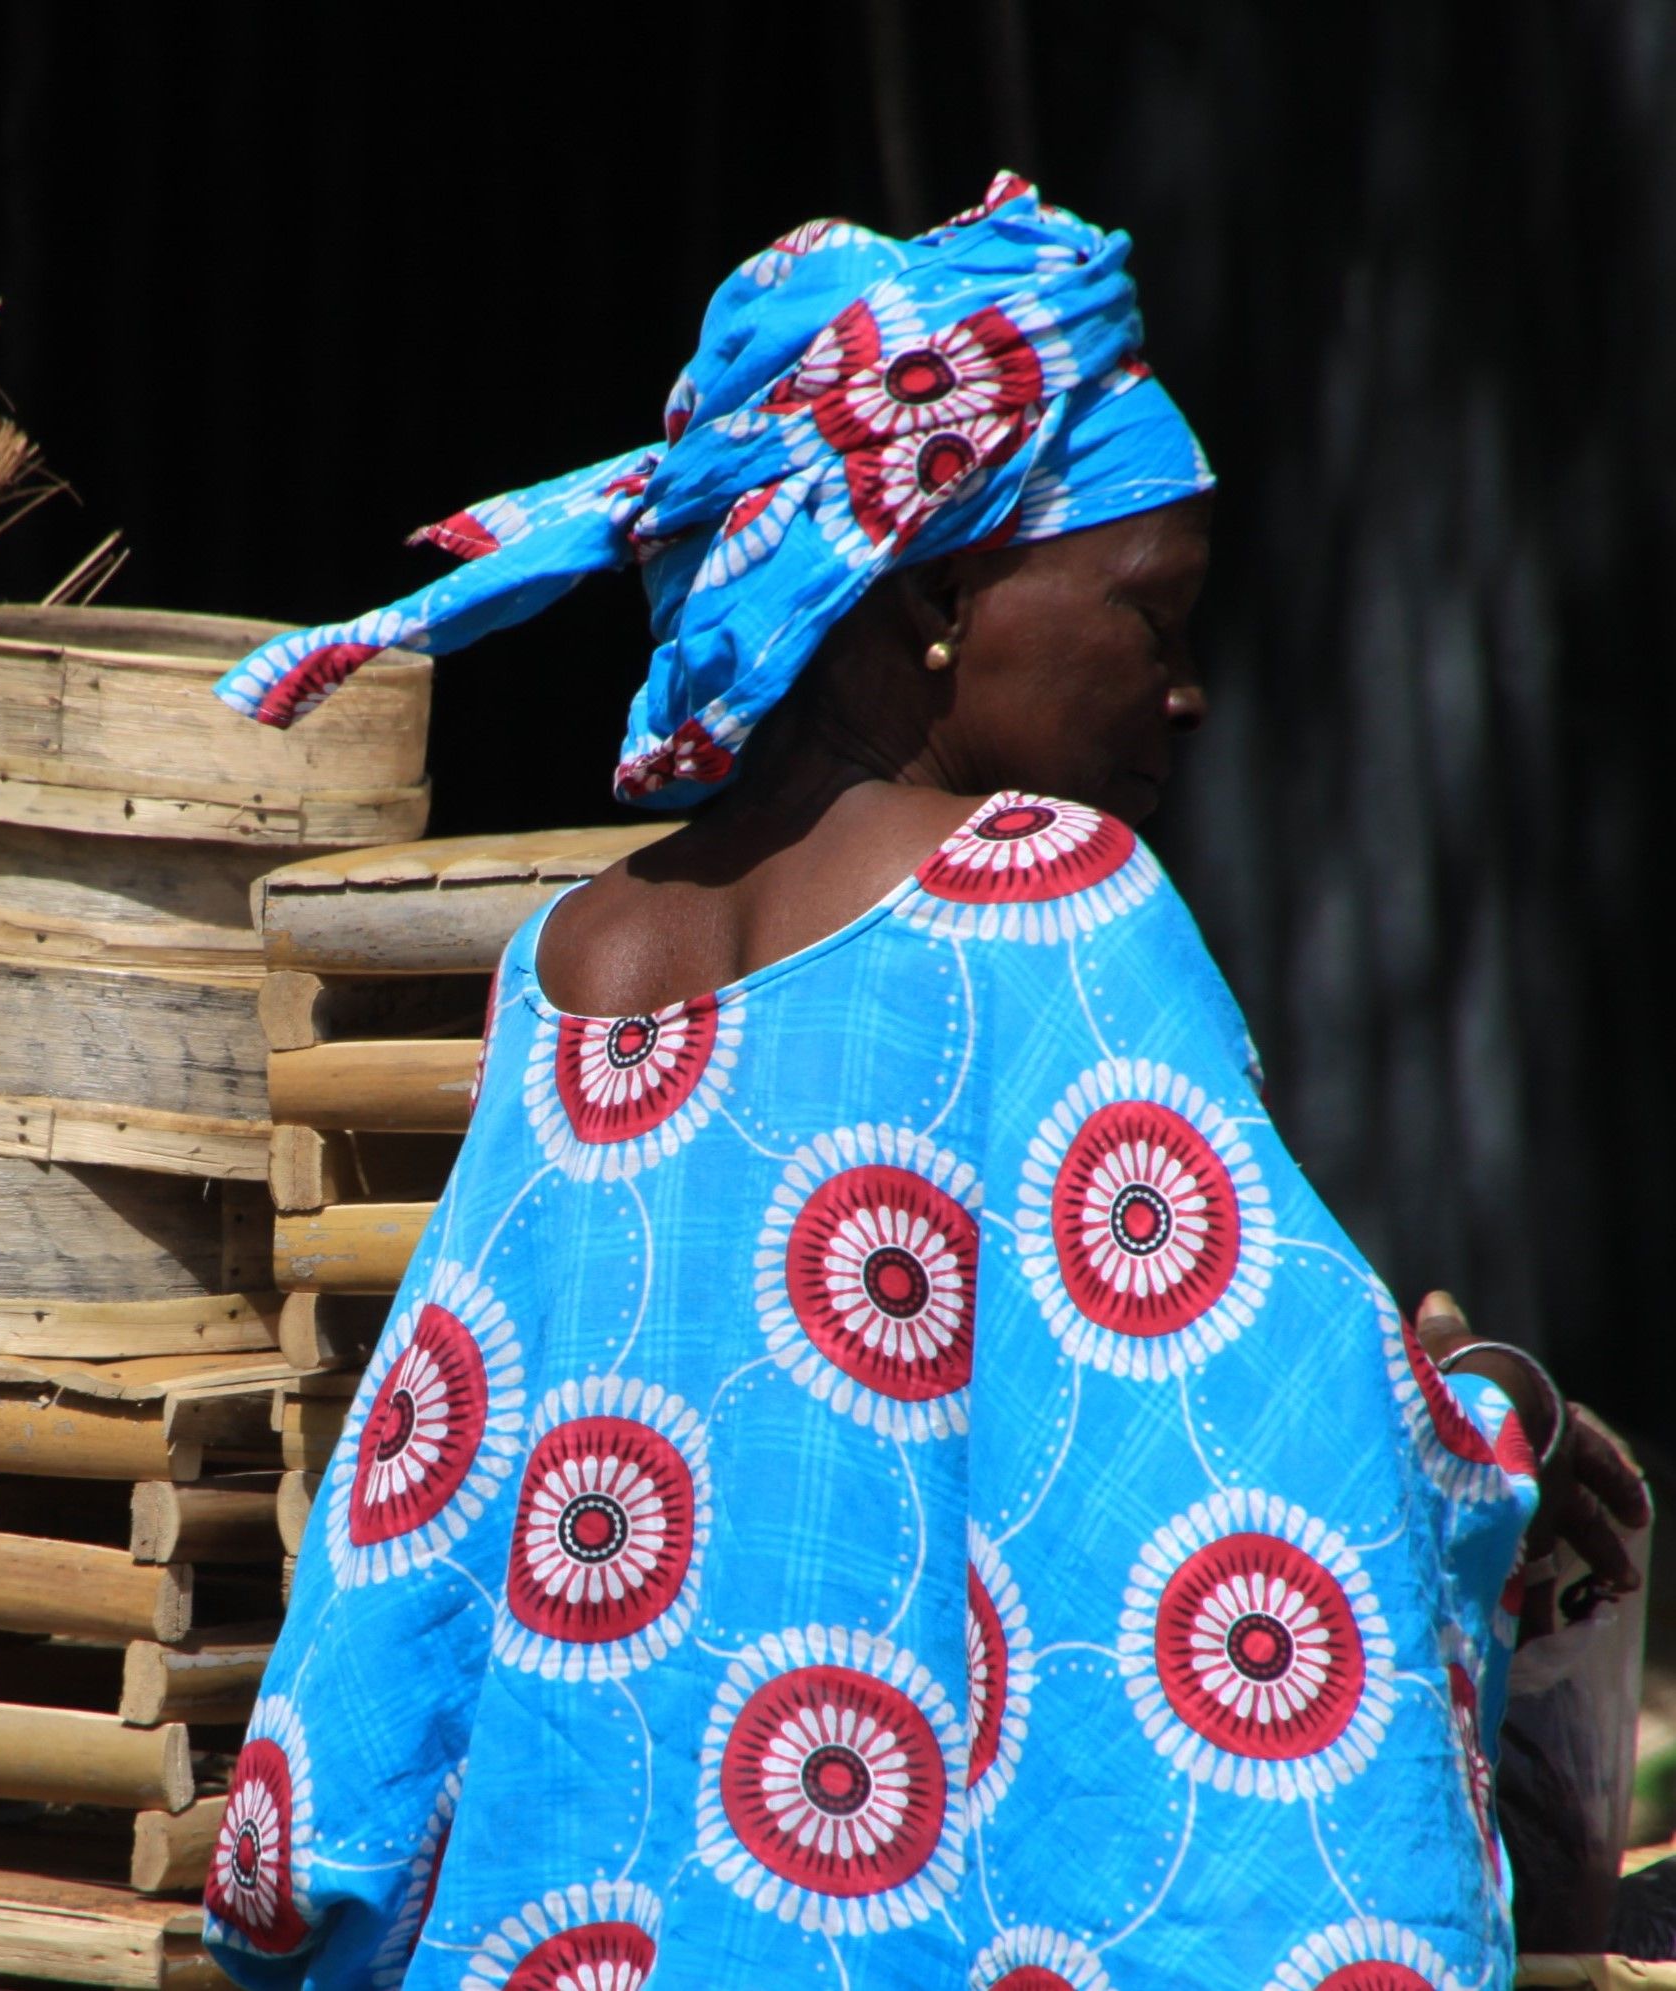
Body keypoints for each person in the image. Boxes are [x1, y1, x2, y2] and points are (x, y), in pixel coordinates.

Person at [198, 176, 1647, 1990]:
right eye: (1153, 615)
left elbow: (411, 1533)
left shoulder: (566, 966)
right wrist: (1497, 1415)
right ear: (947, 597)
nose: (1186, 693)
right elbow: (1268, 1487)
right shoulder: (1042, 897)